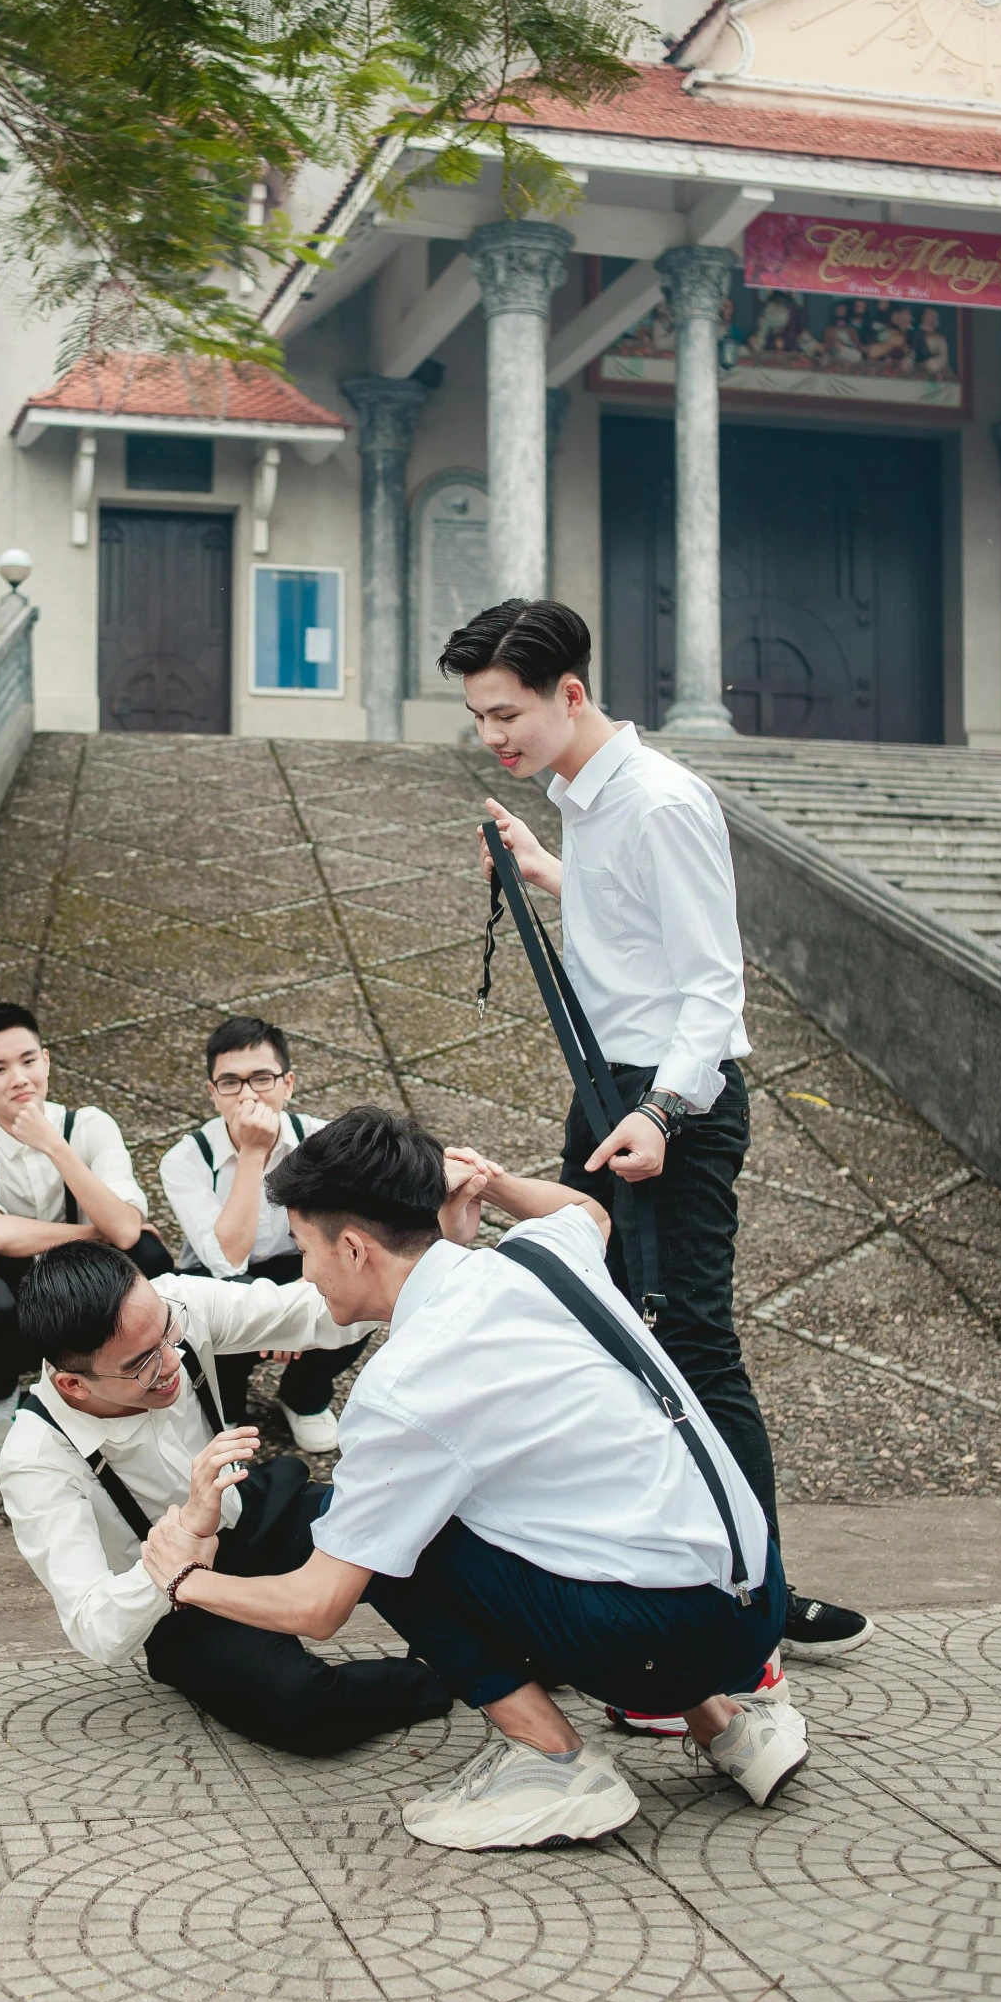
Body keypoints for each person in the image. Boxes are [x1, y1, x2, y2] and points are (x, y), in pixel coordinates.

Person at [142, 1110, 810, 1851]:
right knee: (553, 1504)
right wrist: (490, 1184)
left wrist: (182, 1581)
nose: (304, 1271)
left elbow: (320, 1602)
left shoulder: (406, 1385)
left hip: (662, 1643)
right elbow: (585, 1210)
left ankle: (555, 1760)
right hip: (758, 1601)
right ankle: (730, 1729)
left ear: (356, 1247)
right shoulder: (537, 1254)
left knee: (383, 1534)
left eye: (304, 1248)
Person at [434, 599, 872, 1695]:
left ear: (569, 694)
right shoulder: (586, 796)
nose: (495, 736)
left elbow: (712, 986)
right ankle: (669, 1566)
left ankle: (757, 1600)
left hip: (676, 1103)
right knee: (614, 1333)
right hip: (612, 1093)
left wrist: (663, 1114)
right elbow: (634, 923)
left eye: (507, 713)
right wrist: (542, 868)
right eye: (481, 717)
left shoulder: (664, 799)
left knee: (693, 1341)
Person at [0, 1240, 452, 1754]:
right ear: (73, 1385)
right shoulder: (37, 1457)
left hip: (257, 1514)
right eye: (143, 1363)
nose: (170, 1360)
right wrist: (186, 1533)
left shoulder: (174, 1306)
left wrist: (419, 1243)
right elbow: (95, 1627)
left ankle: (482, 1656)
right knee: (299, 1705)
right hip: (176, 1597)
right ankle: (435, 1679)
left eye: (169, 1332)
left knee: (418, 1528)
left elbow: (317, 1313)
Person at [0, 1002, 175, 1456]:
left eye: (29, 1060)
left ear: (46, 1060)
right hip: (11, 1292)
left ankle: (131, 1371)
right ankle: (0, 1391)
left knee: (149, 1255)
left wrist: (53, 1144)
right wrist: (95, 1232)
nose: (19, 1078)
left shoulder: (88, 1125)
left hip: (83, 1287)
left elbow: (127, 1231)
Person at [159, 1015, 368, 1456]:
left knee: (369, 1280)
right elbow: (227, 1260)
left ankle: (304, 1395)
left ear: (287, 1084)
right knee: (208, 1312)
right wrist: (253, 1152)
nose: (248, 1094)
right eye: (231, 1083)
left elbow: (349, 1235)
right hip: (223, 1276)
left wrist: (292, 1307)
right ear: (212, 1094)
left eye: (261, 1078)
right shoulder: (184, 1160)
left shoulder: (323, 1139)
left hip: (305, 1266)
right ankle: (224, 1404)